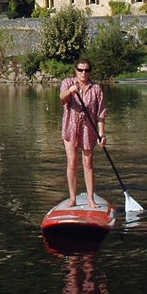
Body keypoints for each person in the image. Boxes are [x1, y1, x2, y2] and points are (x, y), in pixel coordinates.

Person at [61, 59, 107, 209]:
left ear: (90, 72)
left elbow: (101, 114)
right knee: (72, 163)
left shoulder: (96, 89)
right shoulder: (68, 83)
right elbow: (62, 98)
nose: (83, 73)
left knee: (88, 163)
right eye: (80, 70)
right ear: (75, 70)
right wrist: (71, 91)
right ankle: (73, 198)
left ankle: (90, 200)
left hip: (89, 130)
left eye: (86, 70)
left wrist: (102, 133)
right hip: (71, 128)